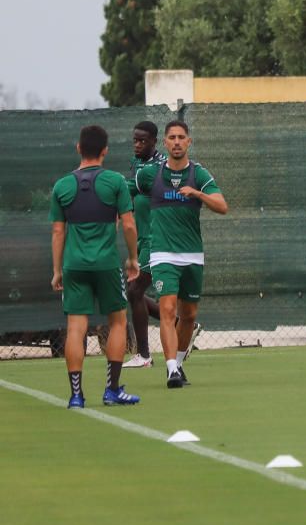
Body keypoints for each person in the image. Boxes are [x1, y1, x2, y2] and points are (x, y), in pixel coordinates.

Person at [49, 125, 140, 408]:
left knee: (75, 327)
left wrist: (57, 271)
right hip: (106, 264)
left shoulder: (62, 185)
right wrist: (133, 258)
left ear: (78, 148)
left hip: (74, 265)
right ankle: (111, 391)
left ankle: (76, 396)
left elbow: (57, 232)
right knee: (117, 322)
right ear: (105, 151)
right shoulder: (115, 182)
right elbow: (128, 224)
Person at [135, 120, 228, 389]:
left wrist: (198, 193)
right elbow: (129, 194)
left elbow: (222, 206)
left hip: (192, 255)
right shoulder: (149, 175)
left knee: (188, 315)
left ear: (189, 142)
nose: (176, 141)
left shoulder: (198, 174)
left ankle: (178, 363)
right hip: (162, 253)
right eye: (172, 137)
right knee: (166, 308)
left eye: (181, 137)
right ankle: (171, 369)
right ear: (165, 143)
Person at [122, 121, 167, 368]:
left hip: (155, 239)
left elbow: (123, 189)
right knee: (131, 289)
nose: (137, 145)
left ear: (154, 142)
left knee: (135, 290)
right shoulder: (138, 162)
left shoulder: (153, 169)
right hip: (141, 240)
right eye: (135, 140)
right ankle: (182, 323)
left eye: (142, 141)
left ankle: (144, 355)